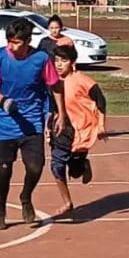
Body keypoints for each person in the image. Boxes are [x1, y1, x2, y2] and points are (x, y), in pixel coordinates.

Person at [0, 18, 63, 230]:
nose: (11, 45)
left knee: (35, 167)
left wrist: (61, 114)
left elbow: (56, 86)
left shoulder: (41, 59)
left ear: (28, 41)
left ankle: (26, 196)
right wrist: (3, 100)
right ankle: (0, 209)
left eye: (16, 42)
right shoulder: (0, 56)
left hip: (32, 123)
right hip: (4, 123)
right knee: (3, 170)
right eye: (9, 41)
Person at [48, 44, 109, 215]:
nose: (59, 65)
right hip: (61, 129)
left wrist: (101, 125)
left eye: (64, 61)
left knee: (75, 172)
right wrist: (48, 127)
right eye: (56, 61)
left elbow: (101, 101)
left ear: (73, 62)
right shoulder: (52, 82)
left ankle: (82, 165)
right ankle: (67, 202)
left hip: (81, 129)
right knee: (56, 165)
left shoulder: (83, 80)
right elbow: (52, 107)